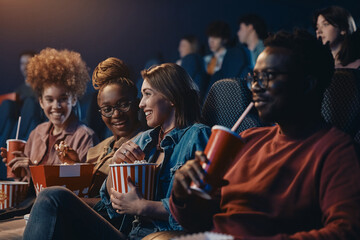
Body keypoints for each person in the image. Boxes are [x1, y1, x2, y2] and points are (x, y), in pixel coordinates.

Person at [169, 29, 360, 239]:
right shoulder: (247, 140)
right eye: (254, 77)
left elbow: (346, 231)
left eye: (267, 77)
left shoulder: (335, 149)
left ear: (307, 84)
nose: (255, 87)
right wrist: (182, 196)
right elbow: (200, 221)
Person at [23, 63, 211, 240]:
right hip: (127, 232)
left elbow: (202, 209)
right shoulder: (144, 139)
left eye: (147, 94)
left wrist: (142, 206)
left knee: (52, 196)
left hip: (159, 234)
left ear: (171, 97)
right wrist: (116, 166)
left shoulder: (197, 135)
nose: (141, 104)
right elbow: (108, 204)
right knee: (50, 195)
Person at [1, 48, 99, 182]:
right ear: (41, 102)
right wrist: (19, 171)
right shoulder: (36, 133)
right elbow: (25, 183)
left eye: (63, 99)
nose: (56, 106)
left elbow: (82, 187)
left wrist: (33, 170)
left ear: (74, 100)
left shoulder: (85, 137)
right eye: (49, 99)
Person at [86, 57, 144, 198]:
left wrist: (70, 200)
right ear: (101, 113)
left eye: (124, 104)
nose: (116, 114)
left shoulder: (143, 146)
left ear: (137, 104)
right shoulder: (96, 150)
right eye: (107, 109)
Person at [203, 21, 251, 99]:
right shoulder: (206, 60)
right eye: (210, 37)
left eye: (215, 37)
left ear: (224, 39)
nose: (211, 41)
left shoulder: (232, 57)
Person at [176, 35, 208, 102]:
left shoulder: (190, 58)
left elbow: (182, 81)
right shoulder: (198, 59)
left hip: (190, 100)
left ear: (192, 46)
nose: (179, 48)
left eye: (183, 45)